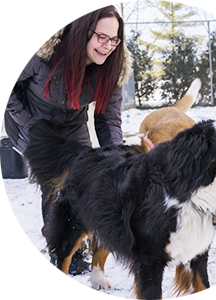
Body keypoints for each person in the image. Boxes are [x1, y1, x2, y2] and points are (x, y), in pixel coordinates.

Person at [0, 0, 132, 274]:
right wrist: (27, 120)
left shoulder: (111, 68)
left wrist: (119, 160)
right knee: (56, 185)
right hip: (31, 121)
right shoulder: (40, 53)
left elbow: (108, 119)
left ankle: (77, 241)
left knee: (84, 180)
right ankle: (58, 249)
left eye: (114, 39)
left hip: (72, 125)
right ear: (83, 31)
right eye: (101, 37)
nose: (108, 46)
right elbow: (1, 76)